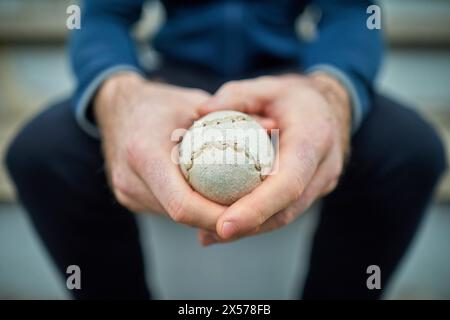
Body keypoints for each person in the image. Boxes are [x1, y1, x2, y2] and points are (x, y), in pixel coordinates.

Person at [5, 0, 447, 299]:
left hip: (289, 78)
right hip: (172, 77)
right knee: (42, 151)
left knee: (409, 149)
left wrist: (330, 91)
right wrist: (118, 93)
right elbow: (99, 16)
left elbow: (353, 14)